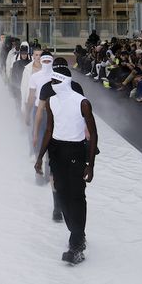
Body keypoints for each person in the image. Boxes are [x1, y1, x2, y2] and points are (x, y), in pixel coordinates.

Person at [35, 67, 98, 265]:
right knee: (62, 195)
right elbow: (49, 129)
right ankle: (78, 233)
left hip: (76, 152)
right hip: (57, 151)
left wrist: (91, 165)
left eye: (55, 81)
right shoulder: (52, 101)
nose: (52, 85)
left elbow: (94, 134)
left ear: (63, 82)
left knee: (77, 196)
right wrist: (40, 157)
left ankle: (76, 243)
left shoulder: (82, 103)